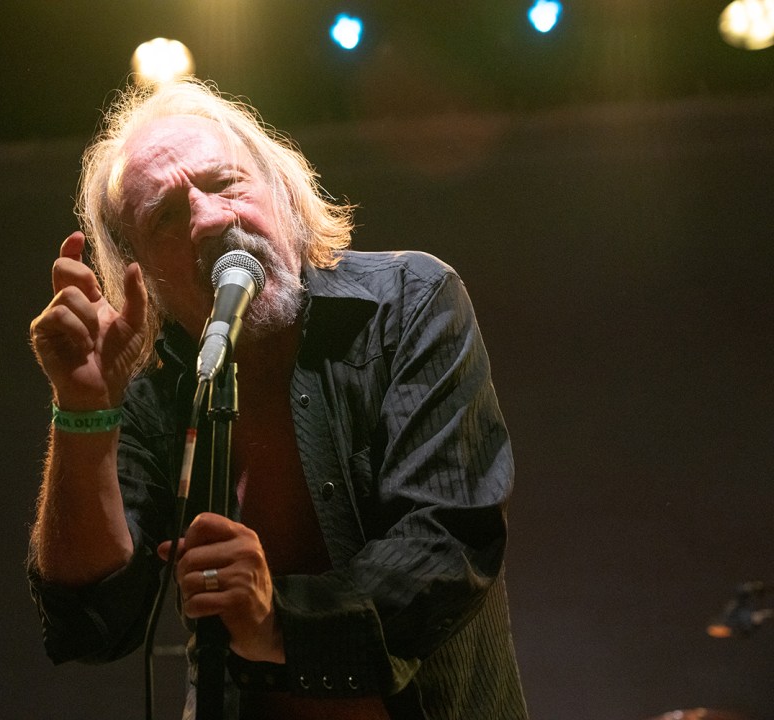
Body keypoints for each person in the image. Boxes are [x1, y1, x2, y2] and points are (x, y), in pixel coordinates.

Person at [27, 78, 528, 719]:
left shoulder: (411, 303)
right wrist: (83, 411)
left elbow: (449, 545)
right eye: (166, 217)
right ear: (140, 276)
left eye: (225, 183)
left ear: (283, 193)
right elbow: (92, 622)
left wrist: (277, 622)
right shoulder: (149, 384)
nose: (209, 220)